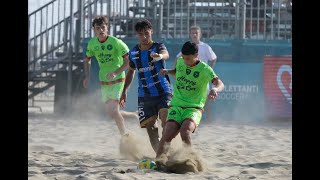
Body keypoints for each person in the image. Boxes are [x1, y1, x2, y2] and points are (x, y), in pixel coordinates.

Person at [156, 41, 224, 168]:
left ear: (196, 55)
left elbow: (220, 84)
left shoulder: (205, 69)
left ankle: (190, 160)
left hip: (194, 107)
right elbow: (178, 72)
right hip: (177, 105)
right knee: (167, 132)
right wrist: (168, 71)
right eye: (183, 57)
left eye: (188, 58)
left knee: (185, 131)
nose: (185, 60)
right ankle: (158, 162)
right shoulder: (181, 61)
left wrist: (215, 90)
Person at [119, 19, 172, 153]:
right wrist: (124, 90)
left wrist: (159, 56)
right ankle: (160, 155)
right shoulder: (133, 53)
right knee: (151, 128)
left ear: (151, 32)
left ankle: (166, 151)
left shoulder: (158, 46)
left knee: (166, 119)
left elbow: (166, 54)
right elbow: (131, 71)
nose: (144, 37)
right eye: (141, 34)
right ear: (137, 35)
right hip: (145, 95)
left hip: (163, 91)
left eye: (147, 34)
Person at [83, 15, 137, 136]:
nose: (101, 30)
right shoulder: (92, 44)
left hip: (118, 79)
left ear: (107, 28)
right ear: (94, 30)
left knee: (113, 110)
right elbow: (87, 60)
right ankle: (133, 115)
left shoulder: (116, 42)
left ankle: (124, 135)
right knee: (111, 112)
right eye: (98, 28)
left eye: (103, 27)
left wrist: (115, 72)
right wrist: (87, 76)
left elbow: (128, 61)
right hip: (104, 80)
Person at [174, 25, 217, 121]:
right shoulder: (188, 47)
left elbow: (213, 59)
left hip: (201, 79)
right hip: (189, 79)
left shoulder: (205, 47)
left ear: (200, 34)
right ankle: (189, 119)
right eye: (192, 33)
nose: (194, 35)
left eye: (196, 33)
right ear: (189, 34)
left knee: (206, 102)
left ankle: (210, 121)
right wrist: (177, 72)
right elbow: (177, 58)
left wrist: (208, 71)